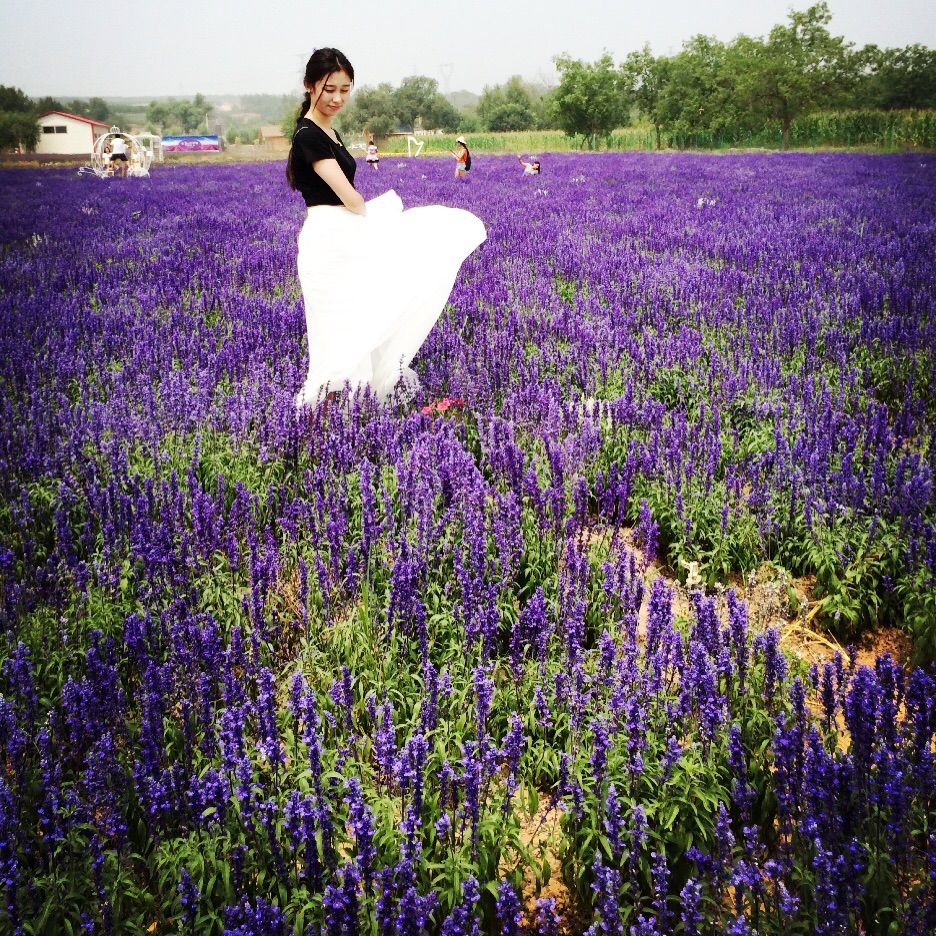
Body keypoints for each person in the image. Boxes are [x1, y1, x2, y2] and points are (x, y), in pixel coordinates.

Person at [287, 48, 486, 408]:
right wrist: (372, 213)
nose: (337, 98)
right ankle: (324, 424)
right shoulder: (308, 135)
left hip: (343, 236)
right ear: (309, 85)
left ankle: (348, 418)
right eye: (328, 89)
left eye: (345, 90)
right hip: (329, 241)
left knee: (358, 323)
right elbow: (348, 197)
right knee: (337, 334)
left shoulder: (327, 131)